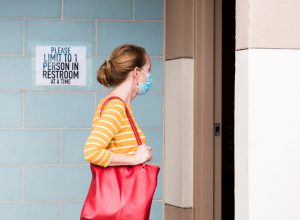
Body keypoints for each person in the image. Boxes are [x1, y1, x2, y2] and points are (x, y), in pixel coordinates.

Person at [83, 44, 153, 169]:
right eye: (148, 70)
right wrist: (134, 159)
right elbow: (91, 152)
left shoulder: (122, 105)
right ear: (136, 72)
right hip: (121, 188)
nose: (149, 76)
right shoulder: (116, 107)